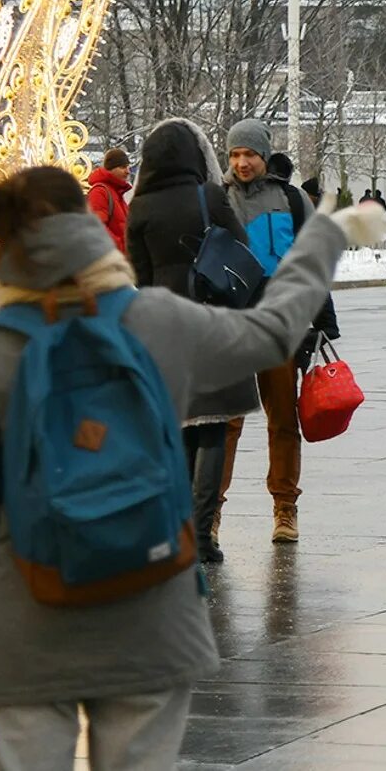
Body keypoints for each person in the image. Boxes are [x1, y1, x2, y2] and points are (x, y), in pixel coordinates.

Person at [0, 164, 384, 771]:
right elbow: (275, 330)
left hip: (26, 620)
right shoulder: (155, 319)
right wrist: (324, 240)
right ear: (93, 232)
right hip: (149, 607)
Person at [125, 118, 257, 565]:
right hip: (212, 320)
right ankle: (203, 535)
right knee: (214, 428)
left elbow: (138, 278)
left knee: (181, 429)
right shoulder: (210, 196)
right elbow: (240, 251)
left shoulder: (139, 208)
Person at [219, 119, 339, 543]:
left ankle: (285, 508)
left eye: (249, 154)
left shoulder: (289, 199)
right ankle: (211, 513)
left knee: (282, 420)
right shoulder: (217, 198)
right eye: (234, 155)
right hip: (231, 325)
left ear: (264, 155)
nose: (241, 162)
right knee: (225, 423)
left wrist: (324, 317)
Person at [87, 147, 132, 254]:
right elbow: (97, 228)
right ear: (111, 169)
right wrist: (122, 247)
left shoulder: (116, 192)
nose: (128, 171)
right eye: (123, 167)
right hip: (112, 257)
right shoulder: (100, 192)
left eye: (128, 167)